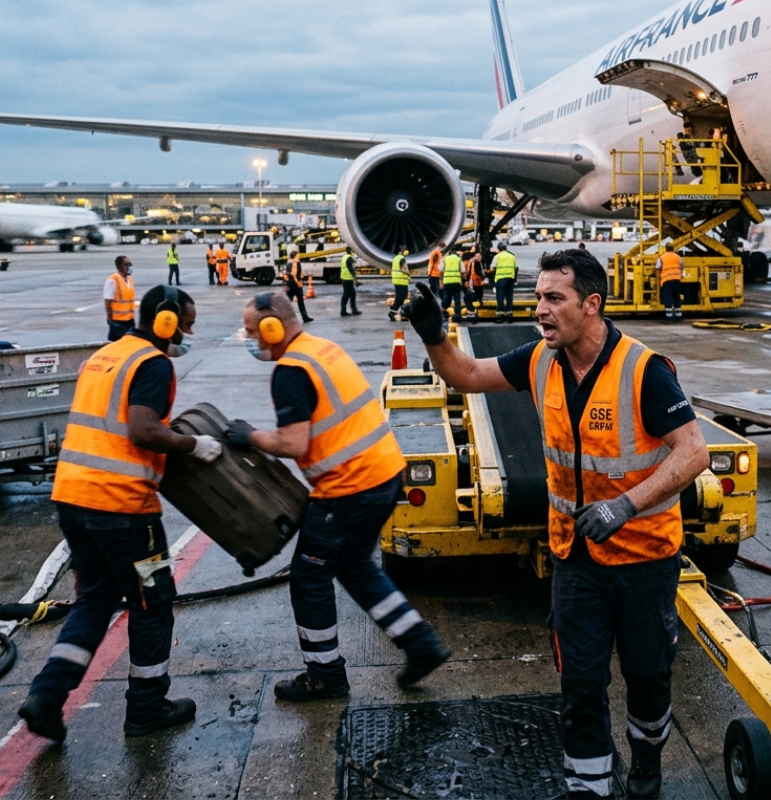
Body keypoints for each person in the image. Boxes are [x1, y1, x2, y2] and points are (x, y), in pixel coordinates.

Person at [403, 249, 709, 800]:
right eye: (538, 296)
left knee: (647, 678)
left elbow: (693, 453)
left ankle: (645, 761)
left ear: (591, 305)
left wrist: (625, 505)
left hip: (644, 559)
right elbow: (467, 374)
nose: (539, 309)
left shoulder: (644, 371)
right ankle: (587, 787)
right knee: (580, 681)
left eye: (553, 298)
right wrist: (432, 332)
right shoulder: (541, 359)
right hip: (574, 558)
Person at [18, 285, 221, 742]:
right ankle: (146, 708)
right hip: (122, 507)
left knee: (96, 599)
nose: (186, 334)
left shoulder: (105, 355)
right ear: (165, 321)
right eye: (184, 324)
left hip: (73, 498)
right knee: (152, 603)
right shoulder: (152, 364)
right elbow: (143, 430)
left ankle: (46, 698)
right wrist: (195, 445)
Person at [227, 292, 450, 699]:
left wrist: (251, 437)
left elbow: (294, 443)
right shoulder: (323, 348)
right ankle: (420, 645)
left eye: (252, 330)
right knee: (355, 568)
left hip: (348, 489)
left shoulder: (291, 370)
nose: (250, 339)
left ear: (273, 327)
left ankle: (324, 675)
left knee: (309, 578)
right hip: (384, 473)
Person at [105, 255, 136, 341]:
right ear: (119, 267)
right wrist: (109, 318)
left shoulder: (129, 280)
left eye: (130, 264)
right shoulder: (112, 280)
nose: (129, 267)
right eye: (126, 265)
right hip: (117, 321)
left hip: (129, 320)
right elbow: (107, 301)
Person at [490, 241, 518, 323]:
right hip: (510, 279)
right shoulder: (512, 256)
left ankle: (500, 316)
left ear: (498, 249)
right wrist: (515, 278)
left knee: (500, 297)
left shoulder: (497, 256)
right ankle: (510, 316)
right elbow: (516, 268)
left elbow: (492, 268)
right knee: (509, 297)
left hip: (500, 279)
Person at [655, 241, 683, 320]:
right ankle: (678, 315)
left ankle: (669, 316)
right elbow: (681, 265)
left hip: (666, 280)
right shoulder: (678, 257)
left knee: (667, 297)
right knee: (676, 297)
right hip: (677, 279)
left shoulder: (662, 257)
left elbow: (657, 267)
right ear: (673, 248)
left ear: (666, 249)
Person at [284, 248, 313, 323]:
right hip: (295, 283)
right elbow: (294, 274)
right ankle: (305, 317)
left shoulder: (288, 261)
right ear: (295, 256)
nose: (299, 257)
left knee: (288, 300)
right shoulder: (295, 262)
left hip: (289, 283)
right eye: (298, 255)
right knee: (300, 301)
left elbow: (288, 273)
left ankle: (285, 317)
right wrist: (298, 283)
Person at [441, 247, 465, 323]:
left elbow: (440, 270)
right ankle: (457, 315)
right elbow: (463, 271)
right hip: (456, 282)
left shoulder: (445, 259)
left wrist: (441, 281)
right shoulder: (458, 259)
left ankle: (445, 314)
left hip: (447, 281)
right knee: (457, 299)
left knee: (446, 298)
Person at [388, 250, 411, 321]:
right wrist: (408, 274)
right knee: (402, 296)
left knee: (400, 297)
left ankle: (399, 311)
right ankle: (393, 311)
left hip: (396, 280)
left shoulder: (395, 258)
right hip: (402, 280)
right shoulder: (401, 259)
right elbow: (404, 268)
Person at [339, 246, 361, 317]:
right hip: (348, 279)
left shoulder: (344, 257)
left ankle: (351, 310)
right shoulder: (349, 258)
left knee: (351, 295)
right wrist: (356, 280)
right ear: (351, 251)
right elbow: (351, 269)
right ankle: (345, 311)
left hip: (344, 278)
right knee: (347, 295)